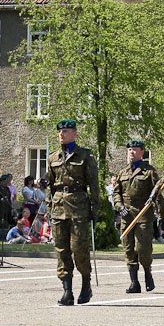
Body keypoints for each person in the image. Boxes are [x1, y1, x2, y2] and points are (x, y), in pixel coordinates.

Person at [46, 118, 100, 306]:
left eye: (66, 131)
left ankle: (86, 285)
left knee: (79, 249)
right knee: (62, 250)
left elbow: (93, 184)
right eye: (60, 131)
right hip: (59, 208)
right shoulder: (53, 157)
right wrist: (48, 208)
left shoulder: (85, 155)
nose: (62, 134)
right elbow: (50, 186)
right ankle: (67, 291)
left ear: (75, 133)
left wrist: (95, 208)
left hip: (79, 208)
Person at [114, 140, 164, 293]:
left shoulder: (149, 171)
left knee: (142, 249)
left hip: (143, 215)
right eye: (130, 149)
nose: (132, 152)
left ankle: (147, 273)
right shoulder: (123, 172)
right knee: (129, 249)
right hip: (127, 216)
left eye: (135, 149)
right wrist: (119, 206)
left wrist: (162, 214)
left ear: (142, 152)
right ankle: (134, 282)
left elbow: (158, 194)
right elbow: (116, 193)